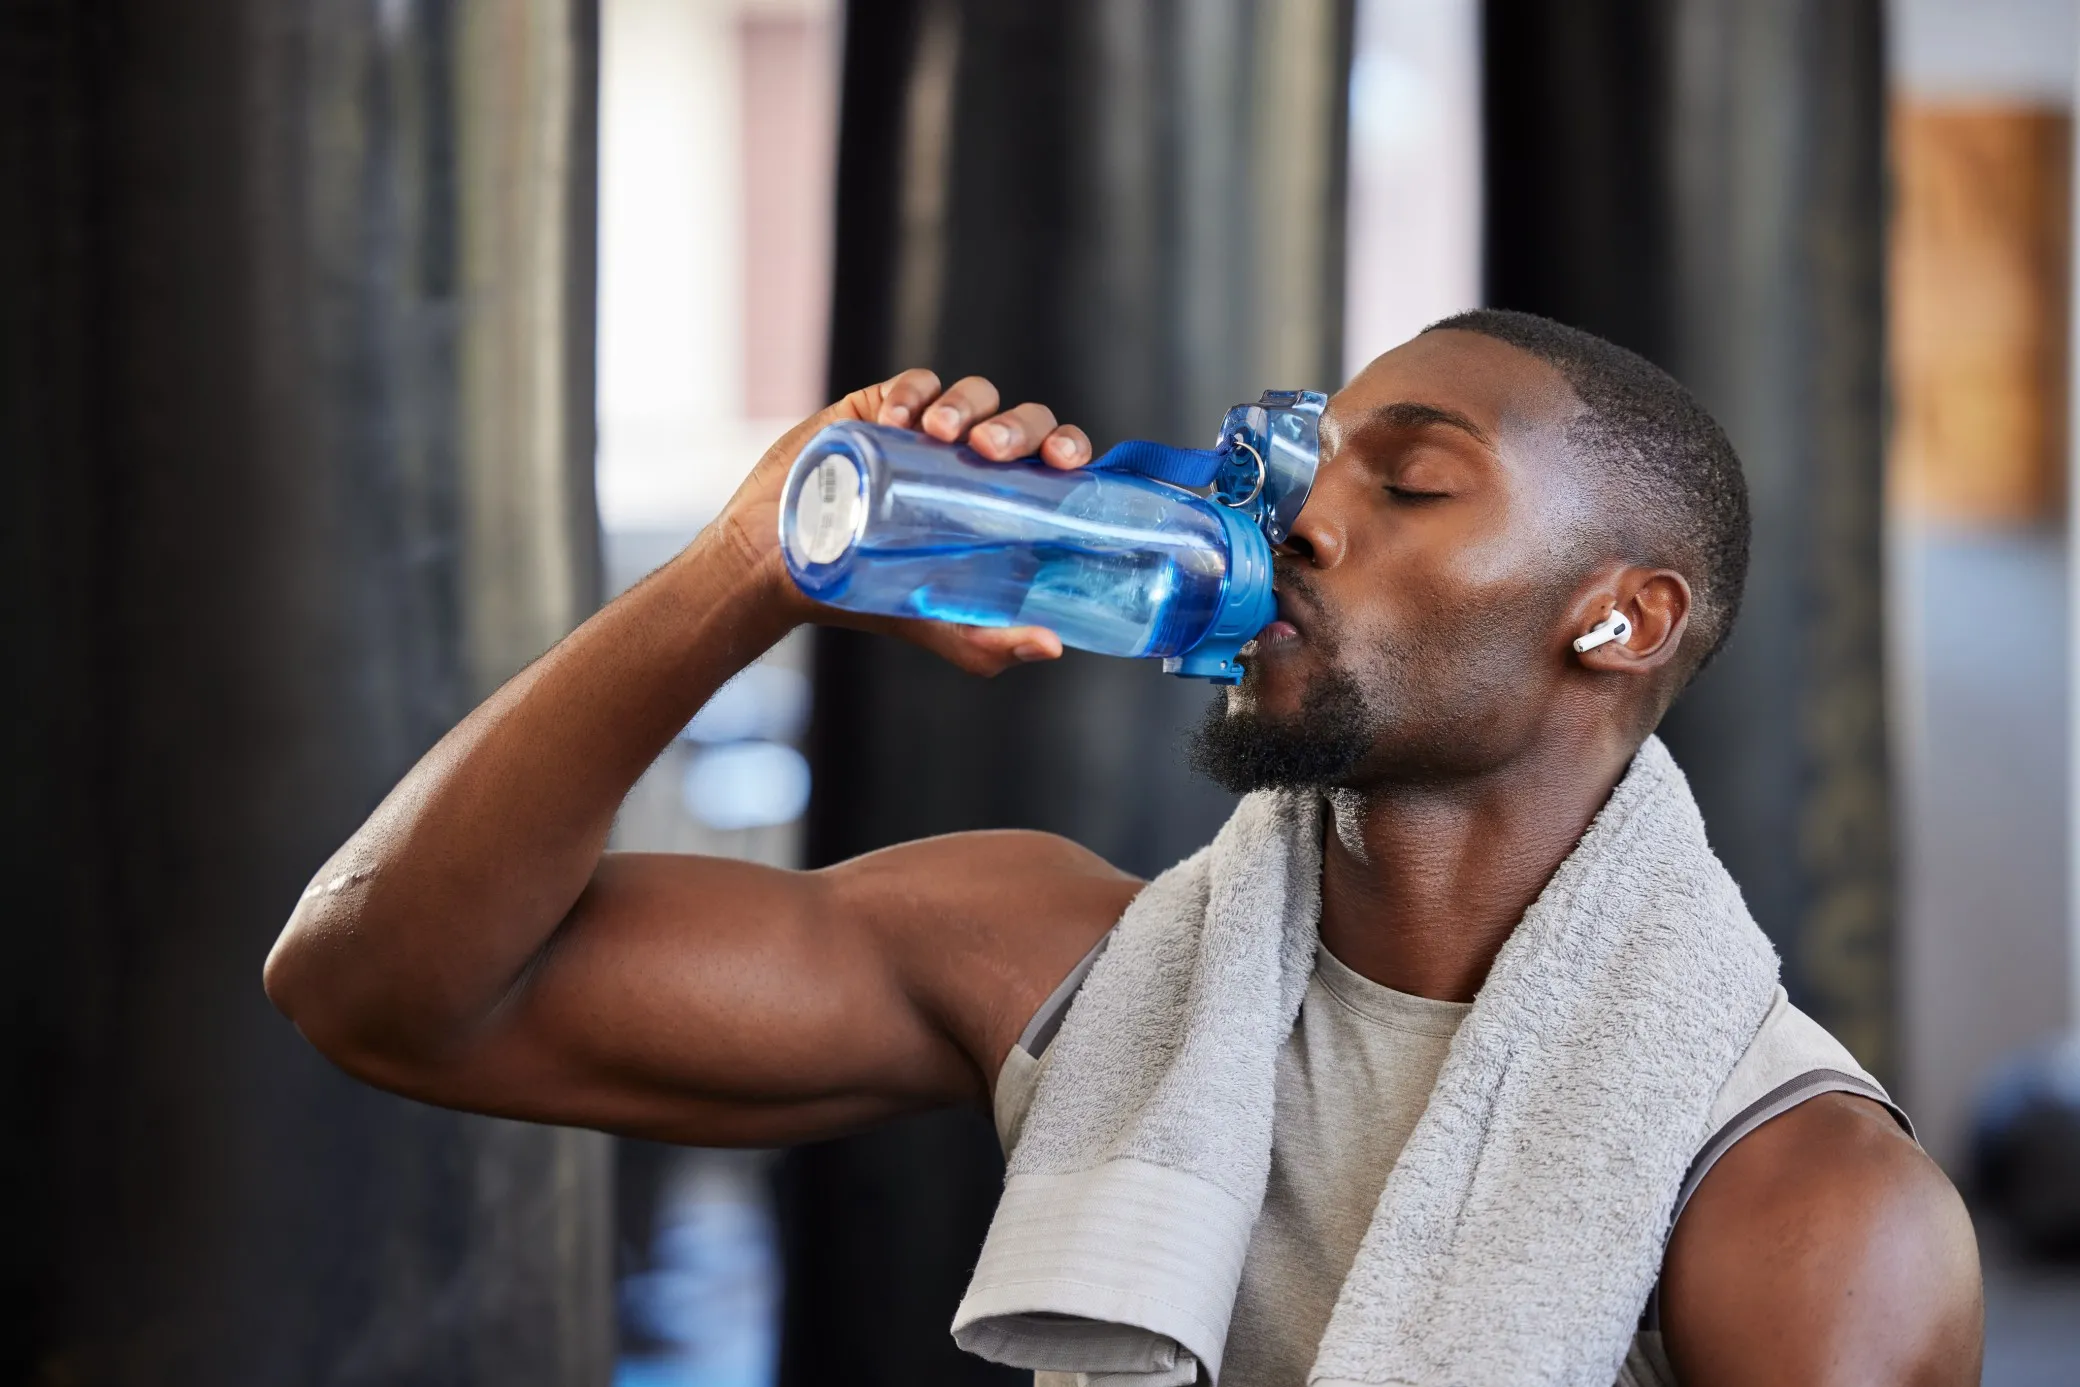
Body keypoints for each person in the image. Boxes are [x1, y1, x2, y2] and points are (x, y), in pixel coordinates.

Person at [266, 310, 1983, 1386]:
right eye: (1318, 463)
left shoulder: (1803, 1204)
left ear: (1619, 620)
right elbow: (384, 987)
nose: (1303, 514)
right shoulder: (1069, 963)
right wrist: (748, 567)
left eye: (1412, 484)